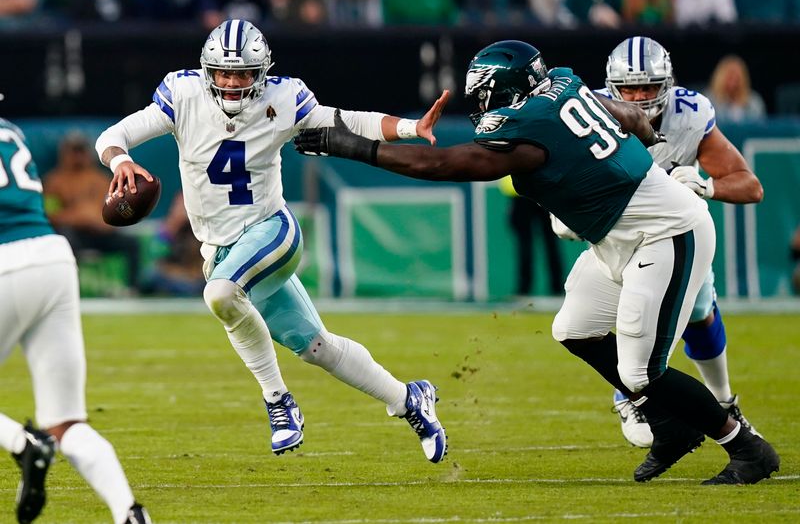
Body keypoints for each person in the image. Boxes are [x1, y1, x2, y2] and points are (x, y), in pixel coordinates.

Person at [294, 39, 781, 484]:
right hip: (617, 236)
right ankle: (669, 423)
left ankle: (745, 446)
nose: (481, 104)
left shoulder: (530, 130)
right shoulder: (565, 83)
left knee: (640, 373)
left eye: (486, 93)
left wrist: (352, 146)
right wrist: (632, 142)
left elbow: (441, 165)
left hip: (665, 233)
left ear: (509, 88)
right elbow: (625, 115)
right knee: (574, 327)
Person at [95, 19, 448, 463]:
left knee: (221, 294)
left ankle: (278, 402)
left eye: (243, 73)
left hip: (271, 231)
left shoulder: (283, 98)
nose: (232, 82)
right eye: (223, 72)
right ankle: (409, 398)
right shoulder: (182, 95)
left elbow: (346, 119)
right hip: (219, 249)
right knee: (318, 348)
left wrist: (413, 127)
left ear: (261, 72)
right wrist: (121, 160)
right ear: (207, 70)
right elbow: (112, 136)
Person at [593, 36, 764, 448]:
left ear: (666, 84)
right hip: (613, 230)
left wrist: (706, 186)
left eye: (647, 87)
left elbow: (750, 186)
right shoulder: (588, 111)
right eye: (628, 88)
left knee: (700, 307)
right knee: (599, 317)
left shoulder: (690, 114)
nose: (636, 97)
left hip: (672, 229)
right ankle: (631, 393)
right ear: (611, 87)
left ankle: (723, 401)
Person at [0, 114, 150, 523]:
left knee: (46, 431)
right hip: (51, 257)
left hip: (5, 261)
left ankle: (21, 443)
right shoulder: (11, 131)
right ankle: (129, 512)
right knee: (67, 423)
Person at [43, 130, 142, 294]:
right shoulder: (54, 181)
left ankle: (132, 289)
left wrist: (103, 222)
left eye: (80, 151)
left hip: (100, 231)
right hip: (73, 233)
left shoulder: (100, 179)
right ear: (64, 154)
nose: (77, 157)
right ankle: (68, 289)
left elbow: (116, 209)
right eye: (73, 151)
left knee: (131, 243)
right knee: (66, 238)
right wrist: (79, 217)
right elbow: (50, 215)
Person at [498, 175, 563, 297]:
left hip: (525, 192)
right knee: (547, 242)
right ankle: (555, 288)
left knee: (529, 243)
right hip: (541, 190)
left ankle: (525, 289)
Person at [139, 191, 205, 297]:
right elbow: (156, 255)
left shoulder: (204, 229)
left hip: (196, 277)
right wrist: (173, 225)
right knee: (151, 275)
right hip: (173, 275)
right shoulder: (168, 228)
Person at [705, 55, 766, 123]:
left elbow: (760, 127)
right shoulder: (708, 101)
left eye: (737, 78)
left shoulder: (754, 101)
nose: (733, 83)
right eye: (730, 77)